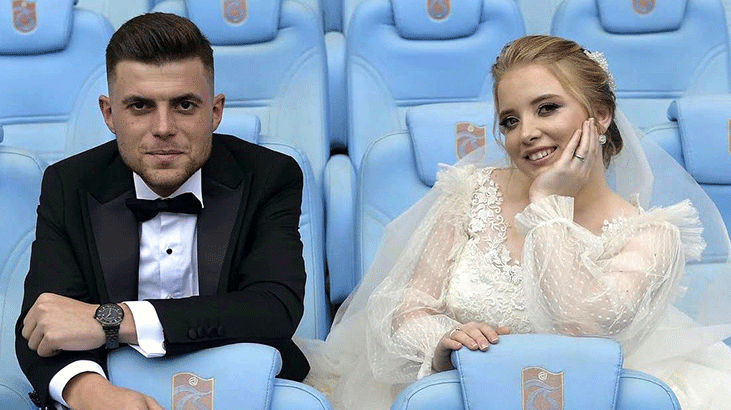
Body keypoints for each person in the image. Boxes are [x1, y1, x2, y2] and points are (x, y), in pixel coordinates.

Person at [298, 35, 731, 410]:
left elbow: (582, 328)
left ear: (600, 114)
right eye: (510, 120)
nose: (525, 133)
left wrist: (549, 204)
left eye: (547, 108)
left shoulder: (653, 235)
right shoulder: (471, 193)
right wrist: (445, 342)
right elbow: (406, 309)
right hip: (465, 396)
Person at [15, 12, 310, 410]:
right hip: (114, 384)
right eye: (140, 106)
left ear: (216, 111)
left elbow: (273, 309)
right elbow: (44, 323)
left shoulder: (270, 176)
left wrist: (113, 320)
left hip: (245, 382)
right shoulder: (69, 184)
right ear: (109, 114)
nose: (164, 127)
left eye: (185, 105)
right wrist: (90, 393)